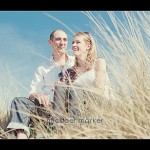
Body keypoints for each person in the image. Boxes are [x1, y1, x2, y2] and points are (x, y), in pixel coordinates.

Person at [5, 29, 75, 139]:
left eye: (65, 39)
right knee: (19, 101)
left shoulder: (75, 61)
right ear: (50, 42)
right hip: (47, 109)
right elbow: (32, 92)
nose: (62, 42)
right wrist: (38, 95)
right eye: (58, 39)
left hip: (68, 108)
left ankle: (57, 131)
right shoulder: (42, 67)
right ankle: (21, 135)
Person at [53, 32, 112, 116]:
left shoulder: (99, 62)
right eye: (73, 42)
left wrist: (76, 89)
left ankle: (75, 124)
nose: (73, 45)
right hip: (77, 104)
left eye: (78, 42)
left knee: (75, 90)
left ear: (88, 46)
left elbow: (100, 90)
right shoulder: (70, 71)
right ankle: (57, 124)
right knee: (60, 87)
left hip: (98, 104)